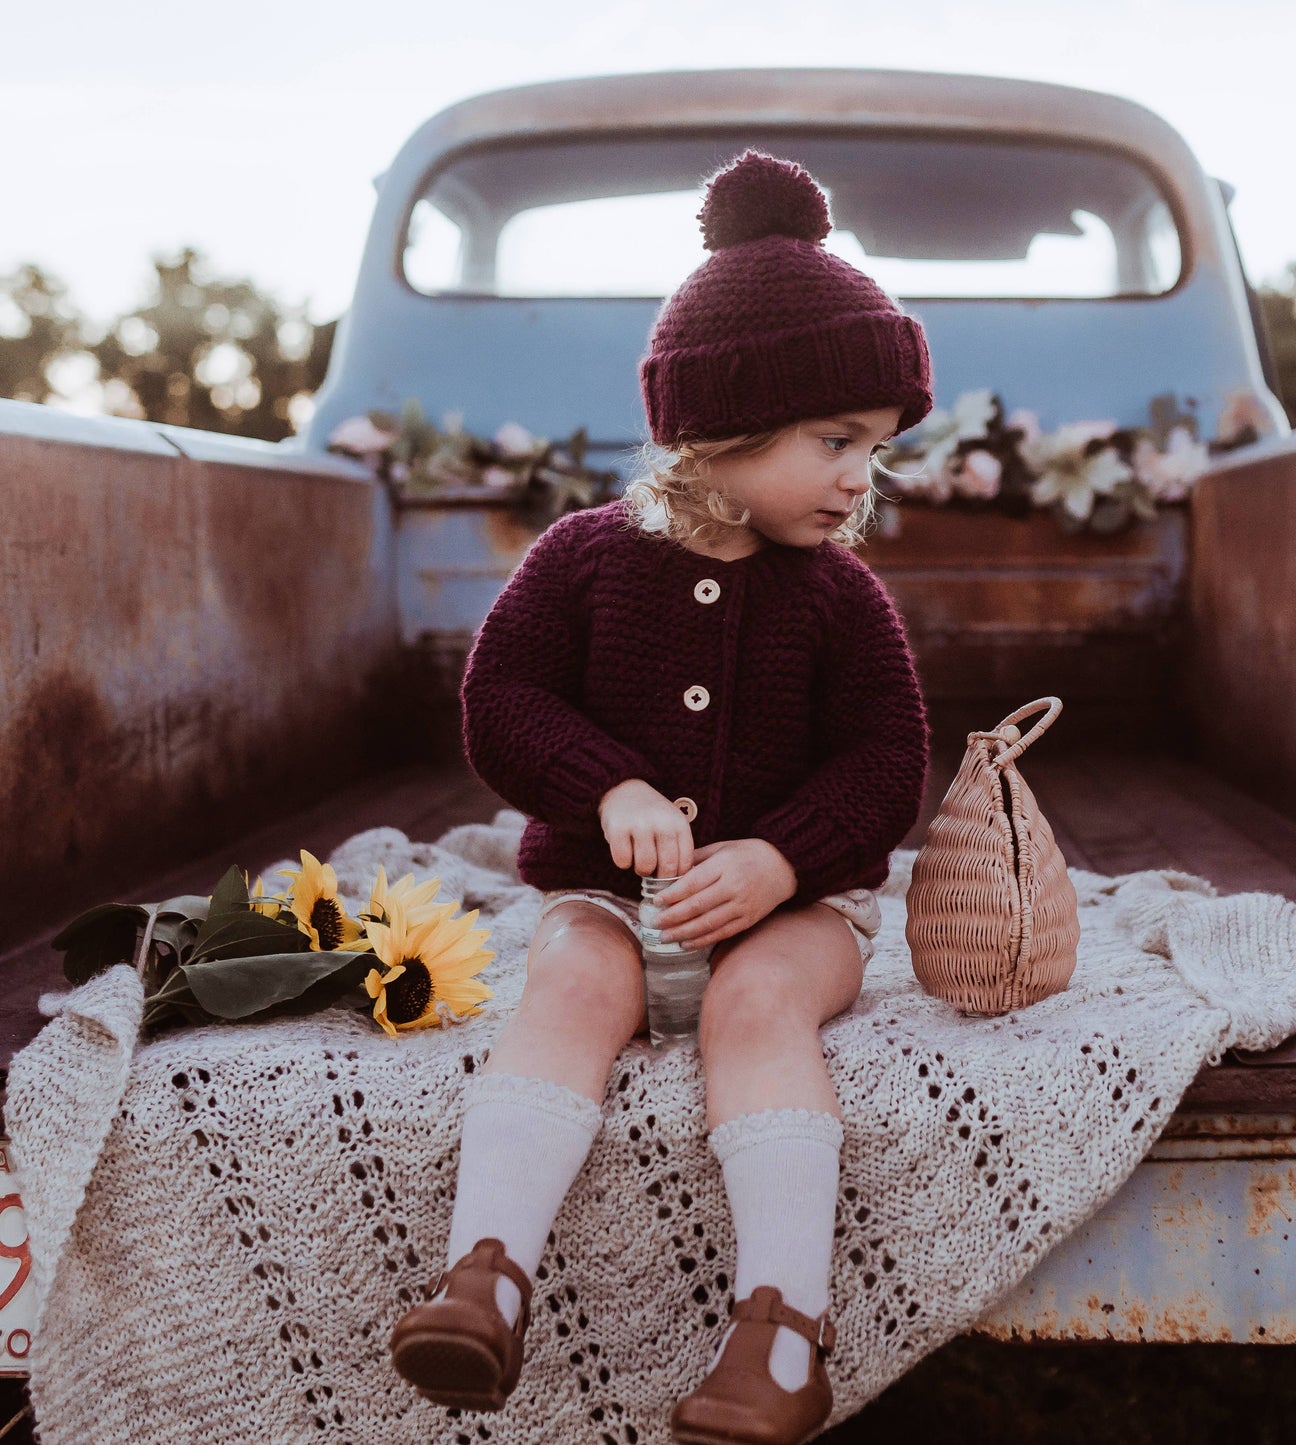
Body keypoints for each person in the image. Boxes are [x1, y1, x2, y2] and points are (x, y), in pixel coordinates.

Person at [387, 148, 934, 1445]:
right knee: (572, 976)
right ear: (724, 425)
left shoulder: (840, 596)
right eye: (836, 442)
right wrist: (606, 782)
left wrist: (783, 860)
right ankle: (486, 1277)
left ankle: (780, 1333)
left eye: (876, 447)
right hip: (609, 895)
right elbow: (502, 702)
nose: (864, 476)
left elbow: (886, 764)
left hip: (788, 913)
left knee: (757, 1000)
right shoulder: (586, 558)